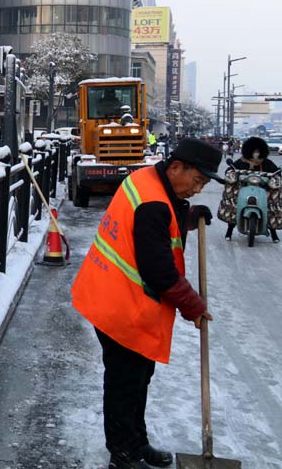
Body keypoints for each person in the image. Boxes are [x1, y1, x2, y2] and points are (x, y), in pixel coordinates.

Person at [71, 138, 220, 469]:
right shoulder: (153, 202)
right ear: (177, 167)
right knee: (126, 383)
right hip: (120, 305)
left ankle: (136, 443)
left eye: (203, 185)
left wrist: (188, 214)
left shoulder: (147, 179)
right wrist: (193, 306)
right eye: (197, 181)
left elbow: (155, 224)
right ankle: (122, 454)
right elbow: (160, 271)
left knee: (138, 378)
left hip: (114, 295)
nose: (198, 189)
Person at [224, 136, 280, 242]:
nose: (256, 154)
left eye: (258, 151)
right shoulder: (241, 162)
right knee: (233, 203)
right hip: (242, 190)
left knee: (272, 205)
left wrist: (276, 176)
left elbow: (276, 172)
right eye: (254, 151)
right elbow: (231, 169)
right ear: (248, 151)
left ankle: (273, 233)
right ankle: (229, 231)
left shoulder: (267, 163)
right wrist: (231, 173)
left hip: (263, 190)